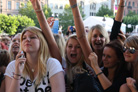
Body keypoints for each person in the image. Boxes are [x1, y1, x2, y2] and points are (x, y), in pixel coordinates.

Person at [5, 26, 65, 92]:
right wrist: (17, 74)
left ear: (41, 41)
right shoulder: (13, 66)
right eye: (24, 38)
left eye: (32, 37)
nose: (27, 39)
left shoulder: (52, 64)